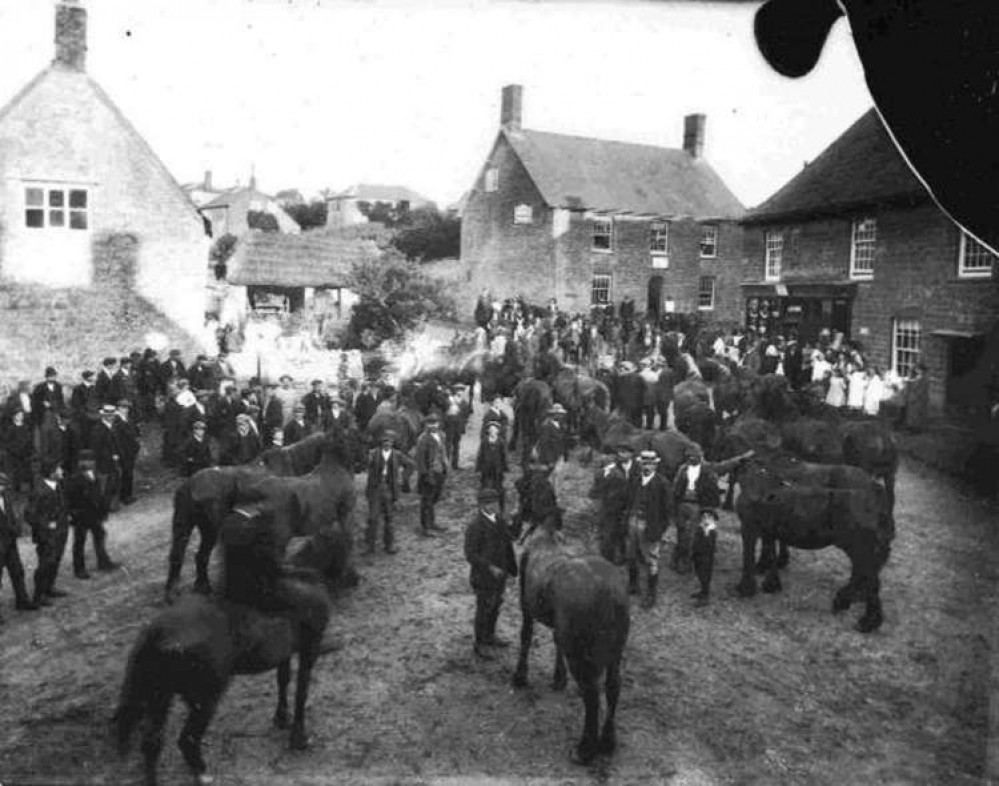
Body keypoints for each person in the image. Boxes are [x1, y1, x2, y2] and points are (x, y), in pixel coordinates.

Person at [463, 487, 518, 661]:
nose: (493, 506)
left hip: (500, 572)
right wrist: (489, 567)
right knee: (484, 609)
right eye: (489, 503)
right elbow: (470, 554)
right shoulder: (475, 526)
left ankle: (490, 635)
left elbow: (511, 539)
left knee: (496, 605)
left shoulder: (499, 521)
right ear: (481, 505)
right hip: (484, 576)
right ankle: (480, 644)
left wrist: (516, 519)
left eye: (495, 502)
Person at [626, 450, 672, 608]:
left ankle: (651, 594)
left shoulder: (662, 483)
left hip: (650, 525)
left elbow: (667, 511)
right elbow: (629, 500)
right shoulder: (635, 480)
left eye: (651, 463)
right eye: (644, 463)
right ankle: (633, 585)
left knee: (651, 559)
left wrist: (662, 531)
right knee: (632, 555)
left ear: (656, 465)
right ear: (639, 464)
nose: (647, 466)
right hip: (633, 521)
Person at [65, 450, 119, 579]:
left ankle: (103, 560)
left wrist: (102, 510)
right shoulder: (74, 479)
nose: (87, 463)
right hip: (81, 516)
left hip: (94, 514)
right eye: (84, 460)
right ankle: (79, 569)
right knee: (79, 542)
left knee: (99, 535)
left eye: (90, 460)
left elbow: (98, 495)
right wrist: (72, 513)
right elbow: (69, 499)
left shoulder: (95, 475)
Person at [24, 462, 70, 606]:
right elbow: (29, 515)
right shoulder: (39, 491)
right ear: (51, 473)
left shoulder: (58, 486)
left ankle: (49, 588)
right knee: (45, 563)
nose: (62, 471)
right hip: (46, 536)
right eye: (58, 469)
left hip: (60, 533)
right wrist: (46, 526)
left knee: (55, 560)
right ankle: (39, 595)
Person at [364, 430, 414, 556]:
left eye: (390, 441)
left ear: (393, 443)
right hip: (375, 490)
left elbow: (411, 465)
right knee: (372, 518)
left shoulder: (397, 455)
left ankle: (389, 545)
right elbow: (364, 464)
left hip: (390, 490)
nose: (387, 444)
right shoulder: (373, 454)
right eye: (385, 441)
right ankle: (369, 546)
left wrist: (404, 479)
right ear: (381, 443)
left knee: (389, 519)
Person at [593, 442, 641, 565]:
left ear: (631, 454)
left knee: (628, 534)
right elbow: (598, 484)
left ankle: (626, 557)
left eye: (624, 452)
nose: (621, 455)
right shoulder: (611, 468)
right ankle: (608, 559)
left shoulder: (638, 468)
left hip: (631, 506)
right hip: (613, 507)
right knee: (610, 532)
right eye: (619, 452)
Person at [0, 471, 40, 618]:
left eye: (4, 485)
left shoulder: (5, 497)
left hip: (10, 542)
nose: (4, 489)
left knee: (17, 572)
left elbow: (11, 515)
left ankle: (22, 600)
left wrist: (16, 527)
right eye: (1, 485)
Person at [414, 414, 449, 536]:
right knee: (426, 500)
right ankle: (426, 527)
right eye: (430, 423)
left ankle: (432, 522)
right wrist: (425, 475)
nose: (433, 425)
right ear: (426, 425)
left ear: (438, 423)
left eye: (435, 423)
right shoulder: (422, 439)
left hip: (440, 471)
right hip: (429, 473)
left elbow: (443, 452)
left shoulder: (441, 435)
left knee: (435, 498)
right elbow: (420, 460)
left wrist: (446, 467)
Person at [90, 404, 123, 512]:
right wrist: (110, 456)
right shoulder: (97, 429)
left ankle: (113, 505)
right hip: (103, 462)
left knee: (115, 482)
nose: (111, 417)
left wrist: (118, 455)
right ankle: (104, 506)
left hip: (115, 461)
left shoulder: (114, 427)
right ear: (104, 416)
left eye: (112, 415)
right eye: (109, 415)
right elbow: (97, 448)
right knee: (104, 485)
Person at [475, 421, 509, 512]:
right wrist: (478, 467)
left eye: (495, 429)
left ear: (498, 431)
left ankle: (501, 508)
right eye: (491, 430)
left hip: (497, 469)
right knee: (485, 487)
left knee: (499, 488)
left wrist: (505, 467)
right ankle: (483, 507)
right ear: (488, 431)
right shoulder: (485, 441)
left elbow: (504, 455)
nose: (493, 431)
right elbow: (480, 454)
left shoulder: (501, 441)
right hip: (486, 469)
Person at [113, 400, 141, 505]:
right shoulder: (117, 420)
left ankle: (127, 494)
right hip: (123, 451)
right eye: (124, 407)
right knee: (126, 473)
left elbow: (134, 433)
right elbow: (118, 438)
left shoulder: (127, 419)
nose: (126, 410)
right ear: (118, 408)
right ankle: (125, 496)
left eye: (127, 408)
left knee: (128, 473)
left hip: (130, 450)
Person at [443, 385, 471, 470]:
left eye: (462, 390)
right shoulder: (449, 400)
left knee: (456, 445)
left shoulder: (464, 402)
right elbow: (444, 412)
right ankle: (445, 465)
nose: (460, 392)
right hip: (450, 424)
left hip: (458, 425)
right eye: (458, 390)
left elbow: (466, 415)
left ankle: (455, 464)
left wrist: (463, 426)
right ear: (455, 391)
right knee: (448, 445)